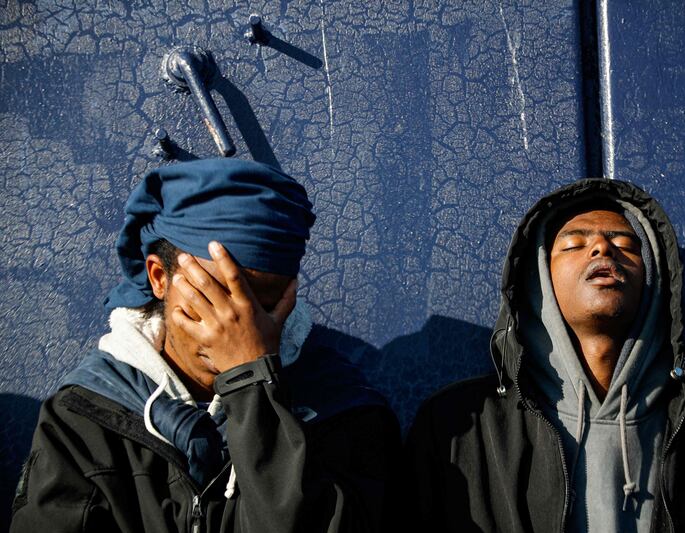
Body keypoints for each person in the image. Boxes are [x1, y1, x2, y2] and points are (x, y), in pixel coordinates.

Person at [11, 158, 400, 532]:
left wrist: (252, 381)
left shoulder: (342, 410)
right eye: (213, 299)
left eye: (261, 307)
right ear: (159, 278)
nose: (234, 326)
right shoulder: (85, 415)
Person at [401, 178, 685, 532]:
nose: (602, 248)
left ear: (654, 280)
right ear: (539, 279)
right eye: (574, 244)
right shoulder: (457, 429)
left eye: (625, 245)